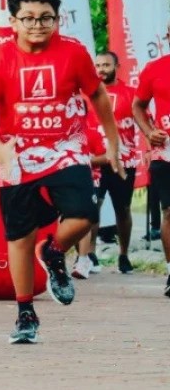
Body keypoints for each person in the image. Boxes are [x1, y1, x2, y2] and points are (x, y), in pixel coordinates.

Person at [0, 0, 123, 345]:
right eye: (29, 18)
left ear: (57, 19)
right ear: (13, 21)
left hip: (65, 147)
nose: (37, 25)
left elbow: (98, 96)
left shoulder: (73, 52)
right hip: (17, 153)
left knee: (84, 213)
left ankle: (53, 251)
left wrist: (113, 144)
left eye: (46, 18)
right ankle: (25, 313)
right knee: (20, 236)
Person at [83, 51, 142, 274]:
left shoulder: (130, 93)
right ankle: (89, 254)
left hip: (123, 161)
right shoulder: (86, 95)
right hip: (95, 160)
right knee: (93, 206)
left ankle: (123, 255)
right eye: (98, 65)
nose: (101, 69)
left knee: (123, 208)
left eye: (106, 65)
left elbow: (143, 119)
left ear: (117, 66)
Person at [133, 24, 170, 298]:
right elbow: (138, 105)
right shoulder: (155, 68)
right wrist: (148, 132)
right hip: (165, 151)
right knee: (169, 212)